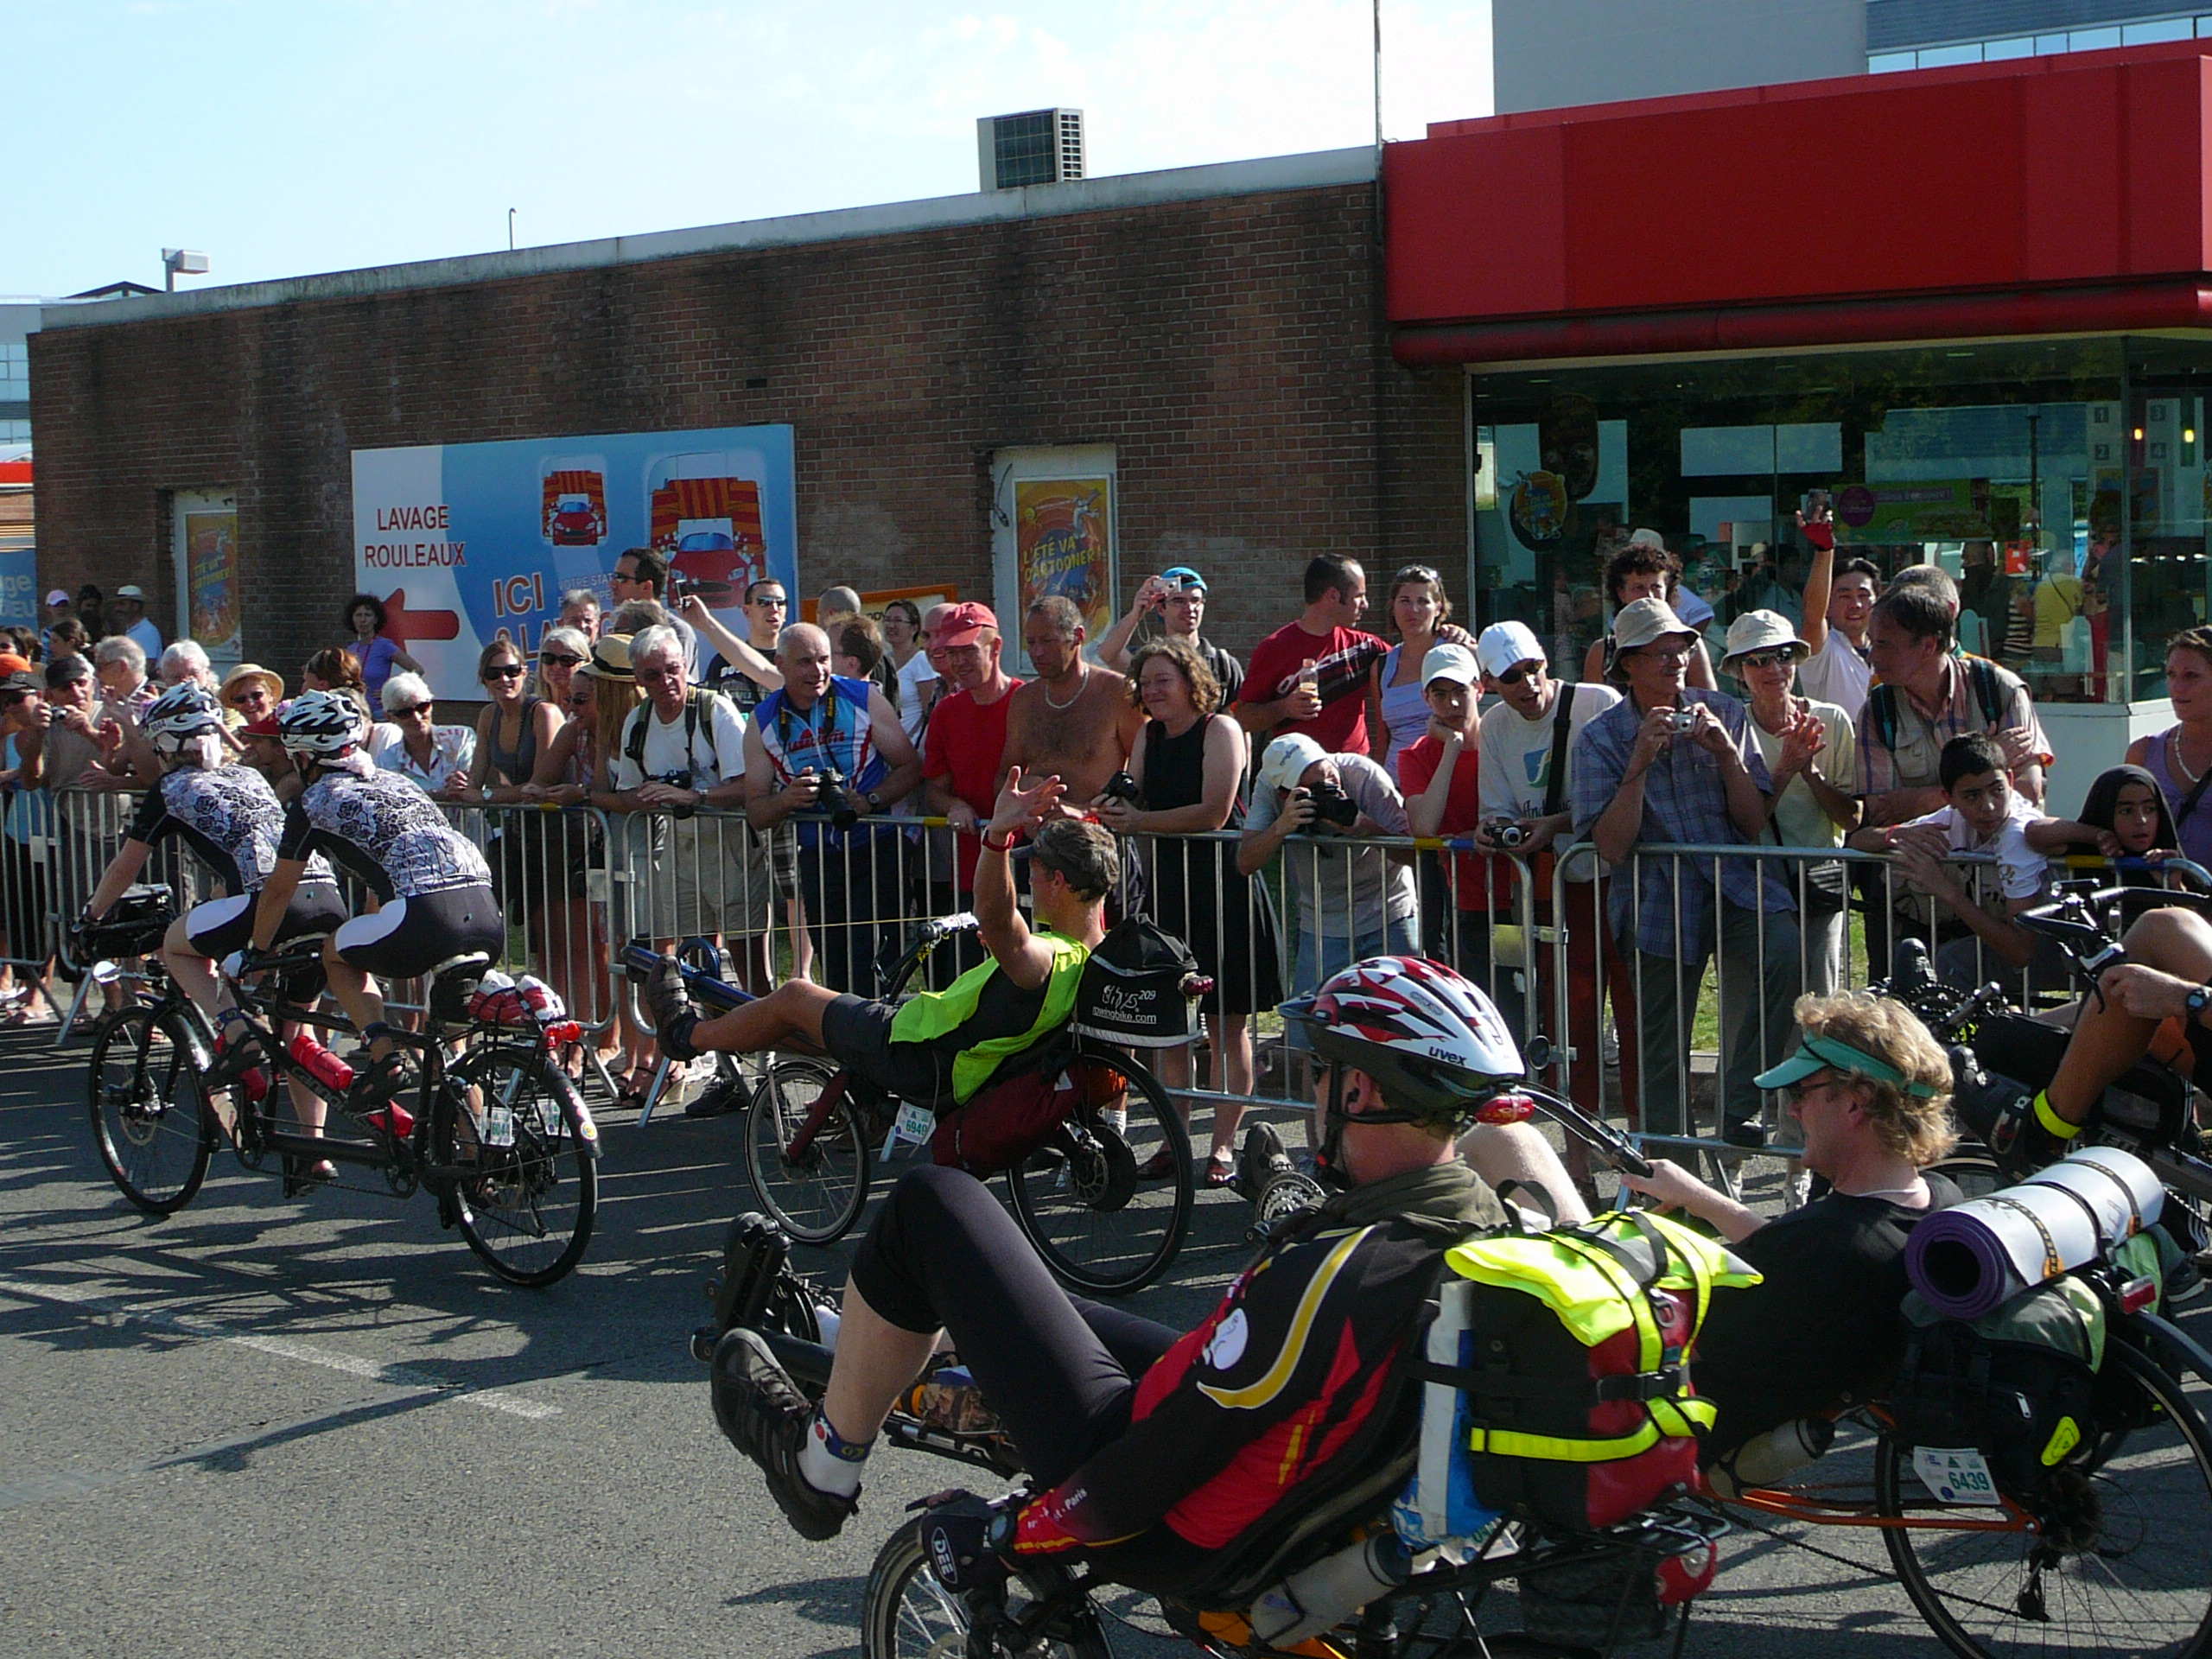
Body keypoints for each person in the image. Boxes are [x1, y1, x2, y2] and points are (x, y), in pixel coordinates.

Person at [704, 951, 1584, 1563]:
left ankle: (823, 1467)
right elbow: (1511, 1149)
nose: (1314, 1089)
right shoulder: (1480, 1231)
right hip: (1272, 1448)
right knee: (1026, 1300)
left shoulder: (1337, 1274)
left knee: (933, 1206)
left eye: (1321, 1073)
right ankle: (877, 1343)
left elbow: (1143, 1477)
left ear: (1358, 1090)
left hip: (1162, 1492)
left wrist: (1022, 1532)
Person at [1622, 992, 1962, 1475]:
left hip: (1687, 1432)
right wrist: (1697, 1196)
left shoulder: (1827, 1245)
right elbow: (1787, 1260)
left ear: (1856, 1102)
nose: (1793, 1111)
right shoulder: (1936, 1203)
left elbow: (1684, 1338)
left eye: (1801, 1093)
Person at [75, 684, 350, 1173]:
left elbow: (125, 867)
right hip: (325, 899)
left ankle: (237, 1031)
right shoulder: (248, 775)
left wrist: (91, 916)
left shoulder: (171, 790)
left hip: (265, 902)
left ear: (165, 745)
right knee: (298, 1030)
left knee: (174, 947)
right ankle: (316, 1152)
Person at [1572, 597, 1801, 1145]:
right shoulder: (1600, 738)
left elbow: (1751, 821)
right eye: (1660, 653)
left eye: (1682, 649)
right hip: (1656, 899)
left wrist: (1726, 755)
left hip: (1735, 883)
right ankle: (1671, 1176)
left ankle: (1739, 1103)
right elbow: (1611, 847)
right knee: (1661, 1051)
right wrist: (1638, 764)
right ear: (1629, 663)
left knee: (1786, 955)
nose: (1676, 662)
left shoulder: (1722, 712)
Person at [245, 690, 504, 1091]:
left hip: (426, 916)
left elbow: (279, 890)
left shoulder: (312, 802)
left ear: (304, 756)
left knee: (335, 954)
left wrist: (257, 953)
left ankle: (386, 1058)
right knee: (450, 1059)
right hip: (485, 913)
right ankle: (472, 1132)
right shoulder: (397, 782)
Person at [1093, 638, 1281, 1183]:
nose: (1153, 691)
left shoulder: (1221, 729)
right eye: (1146, 682)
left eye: (1164, 680)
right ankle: (1174, 1142)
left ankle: (1222, 1147)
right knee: (1172, 1028)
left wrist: (1139, 822)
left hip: (1224, 888)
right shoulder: (1149, 735)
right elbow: (1137, 795)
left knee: (1226, 1025)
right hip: (1170, 891)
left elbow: (1214, 811)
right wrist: (1111, 805)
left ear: (1190, 681)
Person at [1472, 620, 1630, 1127]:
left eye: (1533, 668)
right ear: (1490, 682)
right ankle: (1577, 1153)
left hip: (1620, 881)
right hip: (1553, 892)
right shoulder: (1494, 725)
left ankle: (1649, 1147)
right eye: (1511, 676)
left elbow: (1626, 794)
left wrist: (1555, 824)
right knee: (1569, 1026)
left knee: (1635, 1020)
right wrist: (1492, 831)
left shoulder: (1597, 702)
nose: (1528, 684)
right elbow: (1495, 808)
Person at [1239, 733, 1417, 1141]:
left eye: (1328, 777)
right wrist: (1282, 827)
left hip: (1388, 913)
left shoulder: (1362, 774)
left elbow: (1413, 849)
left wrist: (1362, 826)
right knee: (1313, 1046)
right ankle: (1317, 1150)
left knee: (1401, 1036)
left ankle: (1402, 1146)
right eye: (1313, 788)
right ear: (1286, 793)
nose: (1328, 789)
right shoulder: (1268, 786)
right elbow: (1246, 861)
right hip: (1322, 925)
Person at [601, 624, 775, 1010]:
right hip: (677, 848)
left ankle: (768, 1042)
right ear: (638, 679)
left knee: (747, 963)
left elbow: (749, 787)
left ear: (685, 666)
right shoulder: (637, 721)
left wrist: (694, 796)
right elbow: (628, 791)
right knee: (695, 963)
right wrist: (646, 795)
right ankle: (715, 1039)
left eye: (672, 669)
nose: (666, 681)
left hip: (730, 845)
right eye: (653, 675)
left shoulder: (715, 710)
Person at [745, 623, 922, 995]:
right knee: (836, 967)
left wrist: (870, 800)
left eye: (824, 659)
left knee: (878, 962)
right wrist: (786, 799)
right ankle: (847, 1032)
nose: (818, 671)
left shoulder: (862, 697)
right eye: (805, 662)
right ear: (780, 664)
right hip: (820, 859)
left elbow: (910, 767)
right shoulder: (763, 720)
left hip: (877, 845)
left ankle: (885, 1029)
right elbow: (757, 811)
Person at [1848, 733, 2066, 994]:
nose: (1988, 806)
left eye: (1996, 790)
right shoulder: (1951, 820)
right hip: (2018, 948)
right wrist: (1894, 834)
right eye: (1972, 796)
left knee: (1952, 962)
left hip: (2061, 952)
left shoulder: (2017, 836)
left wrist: (1945, 890)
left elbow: (2022, 952)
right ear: (1949, 797)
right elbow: (1857, 840)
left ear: (2010, 780)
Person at [1724, 612, 1859, 994]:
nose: (1773, 669)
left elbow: (1852, 818)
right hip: (1751, 888)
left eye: (1784, 655)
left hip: (1819, 883)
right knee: (1747, 1004)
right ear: (1739, 672)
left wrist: (1811, 772)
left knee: (1819, 1003)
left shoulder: (1831, 720)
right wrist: (1785, 770)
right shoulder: (1731, 728)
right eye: (1757, 659)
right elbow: (1745, 825)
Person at [1858, 583, 2046, 828]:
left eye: (1883, 644)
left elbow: (2027, 792)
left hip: (2000, 850)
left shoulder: (1999, 690)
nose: (1872, 656)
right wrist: (1987, 762)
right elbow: (1882, 812)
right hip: (1924, 852)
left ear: (1928, 645)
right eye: (1871, 642)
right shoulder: (1877, 711)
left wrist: (1917, 802)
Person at [1396, 643, 1510, 992]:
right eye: (1441, 695)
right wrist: (1452, 748)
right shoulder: (1414, 756)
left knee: (1518, 993)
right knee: (1474, 994)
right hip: (1467, 902)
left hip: (1520, 892)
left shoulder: (1506, 740)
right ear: (1426, 698)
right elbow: (1424, 826)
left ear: (1479, 688)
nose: (1453, 704)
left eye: (1460, 691)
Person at [919, 603, 1020, 977]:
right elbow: (935, 788)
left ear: (995, 648)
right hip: (971, 869)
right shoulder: (946, 712)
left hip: (1027, 863)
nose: (958, 662)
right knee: (969, 976)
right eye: (951, 653)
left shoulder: (1027, 701)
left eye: (968, 651)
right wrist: (953, 805)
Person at [1000, 596, 1145, 824]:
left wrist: (1086, 813)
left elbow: (1143, 778)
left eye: (1047, 641)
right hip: (1039, 836)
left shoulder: (1117, 693)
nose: (1037, 652)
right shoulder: (1024, 700)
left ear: (1077, 637)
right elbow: (1003, 778)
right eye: (1031, 643)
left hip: (1099, 835)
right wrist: (1023, 787)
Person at [1236, 555, 1388, 756]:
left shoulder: (1365, 647)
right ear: (1333, 596)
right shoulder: (1274, 648)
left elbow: (1410, 661)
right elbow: (1243, 718)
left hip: (1353, 767)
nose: (1365, 605)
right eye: (1359, 596)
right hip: (1298, 768)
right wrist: (1284, 707)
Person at [1580, 537, 1717, 692]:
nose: (1649, 596)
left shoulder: (1689, 645)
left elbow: (1711, 701)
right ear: (1621, 593)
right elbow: (1592, 704)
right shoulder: (1603, 651)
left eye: (1656, 587)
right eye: (1639, 588)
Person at [1095, 566, 1244, 707]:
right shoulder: (1149, 661)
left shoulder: (1223, 664)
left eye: (1195, 600)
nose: (1190, 608)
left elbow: (1241, 719)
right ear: (1161, 609)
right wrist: (1136, 613)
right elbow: (1108, 654)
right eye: (1179, 601)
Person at [2130, 626, 2212, 865]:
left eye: (2191, 676)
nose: (2177, 687)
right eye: (2171, 674)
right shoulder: (2143, 753)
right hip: (2163, 887)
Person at [448, 639, 562, 808]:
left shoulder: (544, 713)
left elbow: (539, 785)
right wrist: (461, 785)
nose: (504, 678)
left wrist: (485, 796)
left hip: (556, 816)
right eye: (493, 673)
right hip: (517, 817)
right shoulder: (488, 716)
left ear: (524, 672)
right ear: (484, 679)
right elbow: (476, 778)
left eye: (512, 671)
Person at [1370, 564, 1459, 778]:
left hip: (1445, 778)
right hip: (1396, 782)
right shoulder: (1382, 666)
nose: (1414, 610)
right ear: (1392, 606)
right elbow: (1384, 736)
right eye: (1405, 601)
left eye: (1423, 601)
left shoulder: (1456, 653)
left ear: (1438, 607)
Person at [1794, 502, 1877, 720]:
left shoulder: (1889, 650)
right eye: (1844, 596)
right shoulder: (1825, 650)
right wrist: (1824, 550)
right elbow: (1813, 617)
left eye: (1863, 595)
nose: (1856, 605)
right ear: (1828, 605)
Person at [680, 580, 785, 710]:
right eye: (764, 602)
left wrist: (706, 623)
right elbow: (708, 707)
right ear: (746, 611)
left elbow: (763, 671)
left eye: (780, 603)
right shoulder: (722, 661)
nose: (774, 609)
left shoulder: (792, 662)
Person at [365, 672, 474, 791]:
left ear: (431, 705)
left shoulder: (461, 738)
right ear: (390, 717)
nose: (417, 717)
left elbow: (471, 788)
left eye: (422, 707)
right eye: (405, 713)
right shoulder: (386, 761)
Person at [610, 548, 698, 675]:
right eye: (614, 577)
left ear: (646, 586)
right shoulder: (620, 624)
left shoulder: (677, 631)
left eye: (621, 578)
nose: (612, 584)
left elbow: (676, 680)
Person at [341, 594, 422, 710]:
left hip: (380, 713)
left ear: (375, 619)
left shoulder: (384, 646)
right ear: (352, 619)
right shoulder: (351, 649)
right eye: (358, 615)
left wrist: (393, 690)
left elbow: (418, 670)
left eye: (368, 615)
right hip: (357, 711)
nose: (363, 620)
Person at [880, 597, 939, 743]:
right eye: (887, 620)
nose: (891, 625)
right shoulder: (882, 662)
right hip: (888, 748)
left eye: (898, 621)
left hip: (915, 745)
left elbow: (931, 713)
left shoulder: (921, 661)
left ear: (914, 628)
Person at [218, 663, 283, 734]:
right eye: (240, 699)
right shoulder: (237, 736)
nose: (250, 704)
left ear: (271, 695)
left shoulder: (286, 727)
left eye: (256, 695)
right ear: (234, 705)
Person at [109, 583, 162, 659]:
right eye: (116, 605)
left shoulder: (147, 631)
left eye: (122, 604)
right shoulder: (131, 629)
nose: (117, 609)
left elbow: (148, 663)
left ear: (135, 606)